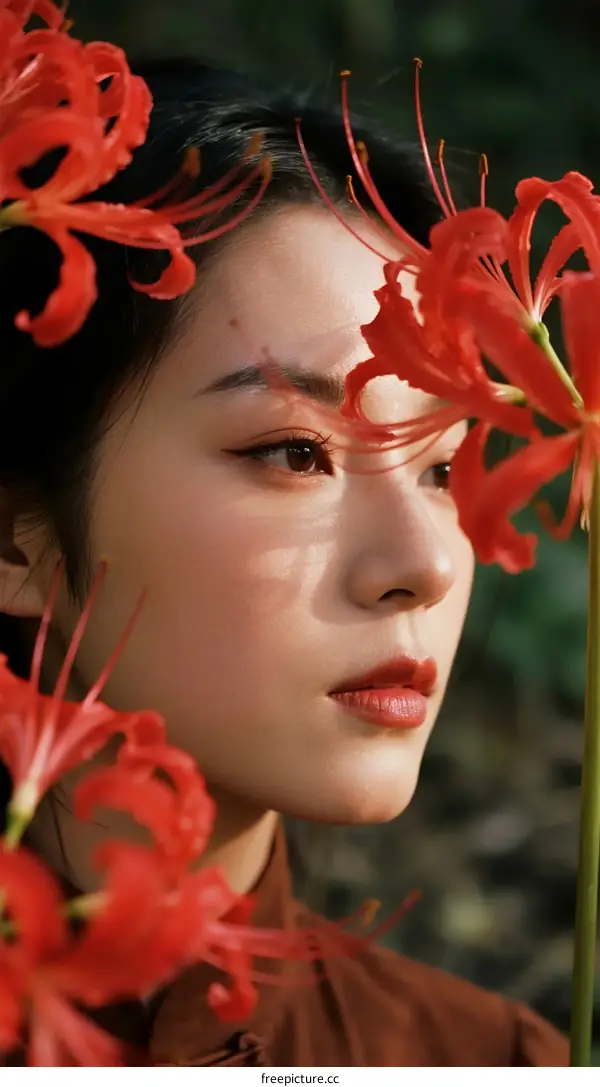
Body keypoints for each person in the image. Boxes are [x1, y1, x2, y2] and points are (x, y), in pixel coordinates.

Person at [0, 60, 568, 1067]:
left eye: (442, 466)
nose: (426, 566)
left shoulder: (495, 1057)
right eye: (297, 451)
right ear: (15, 539)